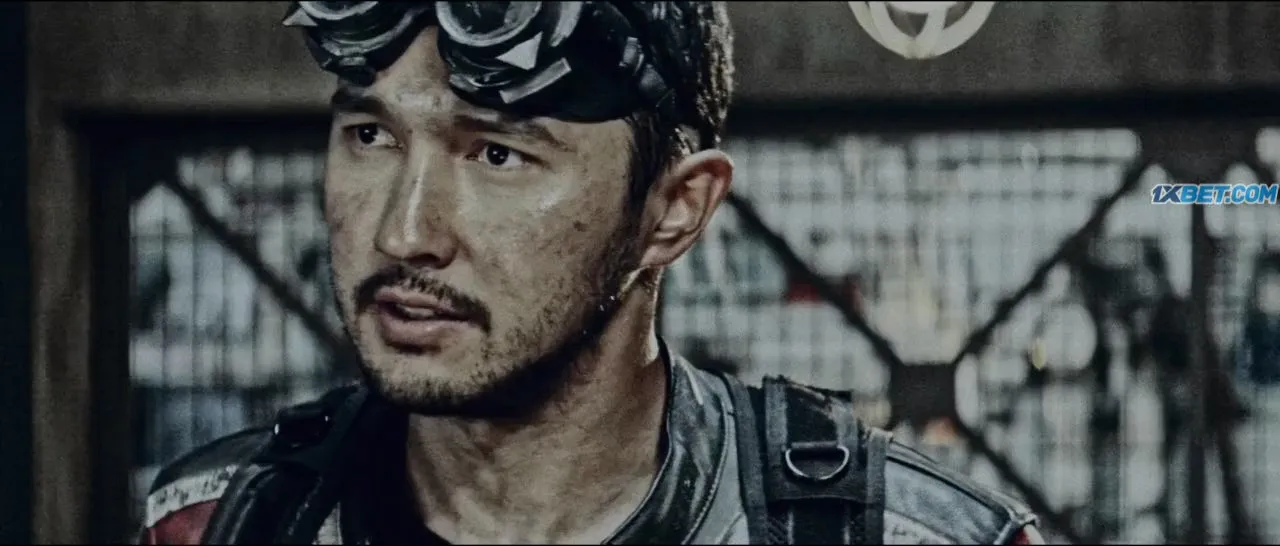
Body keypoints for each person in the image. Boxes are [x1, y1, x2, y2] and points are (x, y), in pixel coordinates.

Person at [140, 2, 1045, 544]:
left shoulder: (912, 538)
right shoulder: (222, 522)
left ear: (674, 209)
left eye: (497, 155)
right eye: (371, 136)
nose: (404, 232)